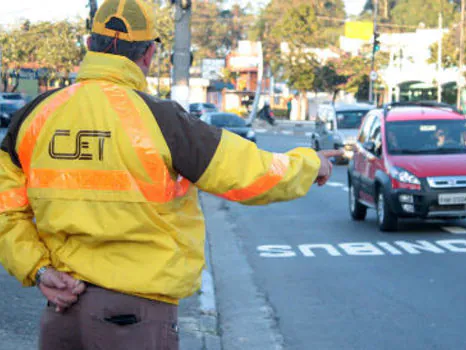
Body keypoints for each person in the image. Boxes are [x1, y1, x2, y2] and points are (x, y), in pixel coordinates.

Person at [0, 0, 342, 349]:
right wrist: (311, 163)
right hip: (134, 319)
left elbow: (5, 210)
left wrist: (39, 270)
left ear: (90, 46)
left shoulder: (34, 117)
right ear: (148, 54)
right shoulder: (161, 120)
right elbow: (249, 174)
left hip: (62, 314)